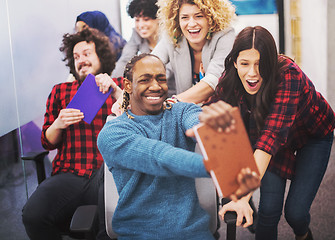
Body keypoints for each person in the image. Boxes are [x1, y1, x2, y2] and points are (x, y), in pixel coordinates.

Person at [97, 53, 260, 239]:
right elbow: (160, 157)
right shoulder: (112, 133)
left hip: (193, 232)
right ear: (128, 86)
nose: (156, 86)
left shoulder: (181, 111)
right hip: (139, 233)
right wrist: (215, 165)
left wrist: (214, 132)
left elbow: (198, 121)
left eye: (161, 79)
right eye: (145, 80)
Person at [207, 26, 335, 240]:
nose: (252, 73)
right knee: (269, 210)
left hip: (311, 136)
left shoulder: (288, 73)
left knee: (296, 213)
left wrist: (242, 196)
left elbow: (271, 137)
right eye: (245, 64)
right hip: (273, 143)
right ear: (234, 62)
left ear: (271, 61)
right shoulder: (230, 75)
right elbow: (209, 111)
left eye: (260, 64)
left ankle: (303, 234)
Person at [22, 28, 123, 240]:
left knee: (108, 224)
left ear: (100, 57)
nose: (81, 60)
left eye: (87, 54)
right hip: (70, 172)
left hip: (108, 174)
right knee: (32, 215)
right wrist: (58, 124)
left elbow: (139, 119)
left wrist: (115, 90)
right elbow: (47, 142)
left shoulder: (120, 85)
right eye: (76, 57)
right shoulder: (60, 91)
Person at [152, 0, 236, 103]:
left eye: (199, 16)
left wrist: (173, 102)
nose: (191, 24)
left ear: (211, 18)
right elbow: (150, 63)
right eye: (184, 17)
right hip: (186, 112)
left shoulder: (225, 35)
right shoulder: (172, 37)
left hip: (219, 112)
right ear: (177, 20)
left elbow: (213, 80)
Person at [113, 0, 160, 78]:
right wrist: (112, 81)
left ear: (158, 19)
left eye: (146, 19)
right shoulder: (137, 34)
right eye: (137, 20)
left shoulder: (167, 37)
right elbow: (125, 60)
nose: (140, 25)